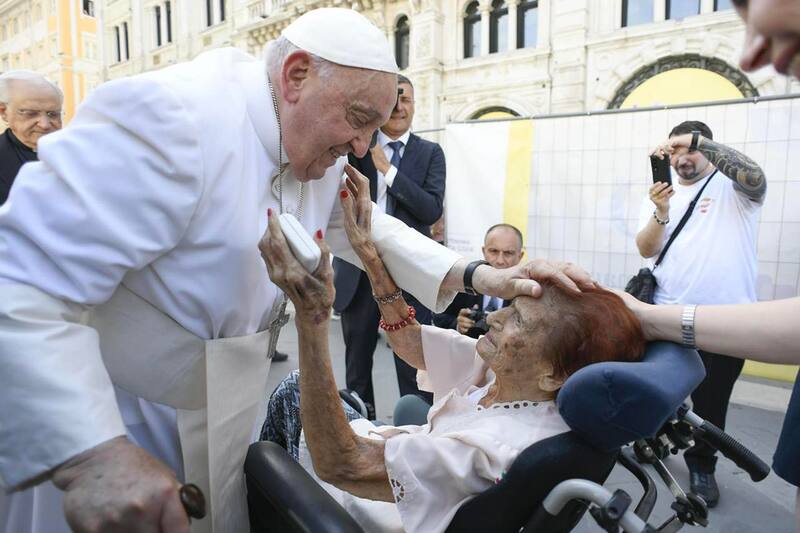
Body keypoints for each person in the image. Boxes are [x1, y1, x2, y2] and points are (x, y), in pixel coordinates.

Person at [0, 9, 576, 533]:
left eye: (374, 128)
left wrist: (476, 275)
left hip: (225, 414)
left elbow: (365, 225)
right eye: (357, 119)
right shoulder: (171, 115)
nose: (361, 145)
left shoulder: (309, 141)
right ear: (295, 75)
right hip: (124, 423)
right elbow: (18, 278)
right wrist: (89, 451)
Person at [259, 170, 645, 533]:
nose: (495, 319)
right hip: (396, 451)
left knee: (286, 399)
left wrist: (313, 318)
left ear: (555, 374)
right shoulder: (519, 379)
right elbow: (409, 343)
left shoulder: (489, 451)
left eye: (518, 321)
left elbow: (341, 463)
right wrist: (370, 257)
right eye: (507, 306)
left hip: (366, 508)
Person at [635, 119, 766, 507]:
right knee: (660, 389)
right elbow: (646, 249)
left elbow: (755, 177)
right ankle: (653, 437)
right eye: (674, 152)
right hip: (667, 315)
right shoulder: (659, 193)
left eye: (690, 149)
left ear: (708, 149)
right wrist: (660, 211)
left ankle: (702, 467)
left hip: (725, 322)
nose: (681, 158)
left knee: (712, 403)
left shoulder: (734, 188)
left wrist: (695, 140)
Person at [333, 74, 446, 409]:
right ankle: (362, 435)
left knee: (413, 370)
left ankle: (413, 439)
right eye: (393, 98)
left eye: (406, 99)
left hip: (408, 276)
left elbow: (429, 210)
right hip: (357, 273)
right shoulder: (356, 147)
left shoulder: (430, 153)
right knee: (356, 368)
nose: (399, 106)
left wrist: (387, 170)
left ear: (414, 105)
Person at [434, 223, 524, 338]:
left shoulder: (527, 293)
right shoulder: (463, 281)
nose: (500, 260)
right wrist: (458, 324)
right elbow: (439, 317)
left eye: (508, 253)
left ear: (520, 256)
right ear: (484, 251)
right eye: (494, 251)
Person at [0, 70, 63, 205]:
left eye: (53, 114)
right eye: (30, 113)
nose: (45, 125)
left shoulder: (77, 155)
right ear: (4, 112)